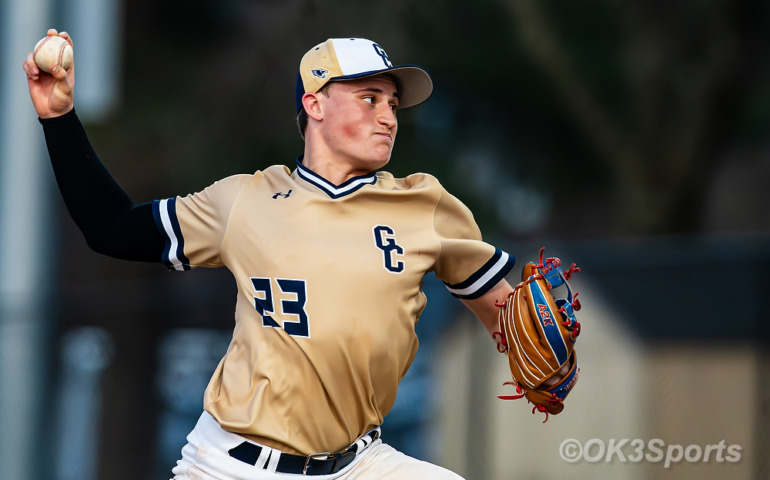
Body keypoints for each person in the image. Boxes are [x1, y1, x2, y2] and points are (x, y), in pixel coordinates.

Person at [24, 30, 520, 479]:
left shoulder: (423, 206)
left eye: (392, 103)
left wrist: (540, 349)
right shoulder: (245, 200)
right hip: (231, 466)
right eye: (369, 98)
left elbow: (505, 312)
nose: (388, 116)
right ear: (315, 104)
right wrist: (59, 118)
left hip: (359, 463)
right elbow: (112, 229)